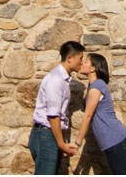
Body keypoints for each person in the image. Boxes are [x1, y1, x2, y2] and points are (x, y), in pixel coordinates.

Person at [30, 40, 84, 174]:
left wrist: (63, 142)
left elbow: (60, 115)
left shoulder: (62, 79)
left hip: (51, 135)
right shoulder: (56, 80)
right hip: (46, 135)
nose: (82, 63)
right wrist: (61, 144)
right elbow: (53, 115)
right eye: (80, 58)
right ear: (70, 58)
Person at [74, 53, 126, 174]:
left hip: (115, 138)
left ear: (93, 68)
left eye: (86, 61)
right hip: (111, 141)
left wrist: (77, 143)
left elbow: (88, 116)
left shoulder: (97, 86)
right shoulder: (93, 86)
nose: (82, 63)